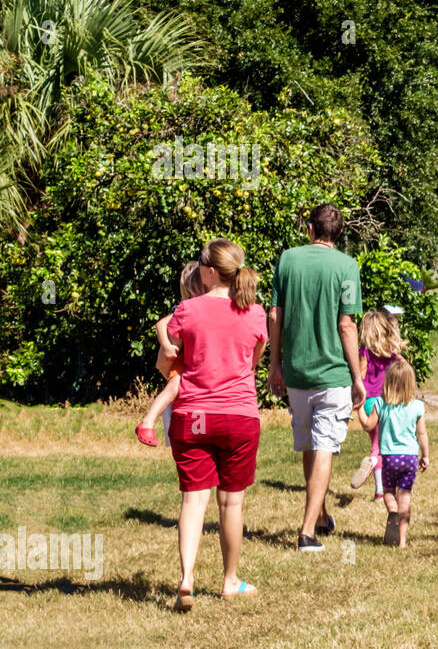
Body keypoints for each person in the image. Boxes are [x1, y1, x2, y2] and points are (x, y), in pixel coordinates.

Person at [162, 239, 267, 611]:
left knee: (193, 501)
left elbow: (169, 355)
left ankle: (187, 577)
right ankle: (230, 580)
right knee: (231, 503)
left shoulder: (187, 310)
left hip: (194, 416)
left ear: (208, 272)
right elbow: (253, 361)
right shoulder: (255, 312)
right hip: (239, 416)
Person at [268, 204, 365, 552]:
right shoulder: (347, 266)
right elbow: (346, 324)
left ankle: (321, 515)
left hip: (296, 371)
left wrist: (274, 364)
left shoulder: (288, 259)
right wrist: (357, 376)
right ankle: (307, 531)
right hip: (332, 373)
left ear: (310, 229)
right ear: (337, 234)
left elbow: (275, 314)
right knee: (324, 445)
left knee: (309, 443)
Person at [355, 358, 429, 547]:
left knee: (388, 492)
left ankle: (392, 511)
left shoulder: (381, 404)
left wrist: (359, 410)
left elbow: (367, 425)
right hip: (409, 459)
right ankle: (402, 540)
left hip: (389, 459)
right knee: (404, 496)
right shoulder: (416, 406)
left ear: (387, 382)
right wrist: (425, 456)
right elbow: (422, 433)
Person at [136, 262, 204, 447]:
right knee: (175, 386)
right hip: (182, 361)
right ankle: (147, 422)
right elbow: (161, 324)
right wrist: (166, 346)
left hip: (192, 361)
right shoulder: (183, 308)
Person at [349, 309, 408, 501]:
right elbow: (404, 369)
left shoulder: (364, 352)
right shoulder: (391, 352)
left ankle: (380, 492)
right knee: (381, 447)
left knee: (377, 444)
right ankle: (374, 464)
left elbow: (361, 377)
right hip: (385, 403)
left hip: (368, 403)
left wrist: (356, 403)